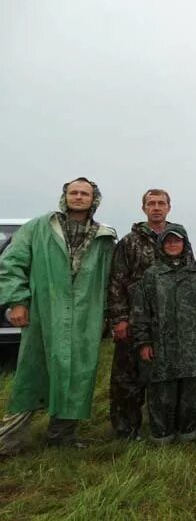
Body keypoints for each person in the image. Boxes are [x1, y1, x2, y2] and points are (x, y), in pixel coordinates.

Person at [0, 178, 117, 455]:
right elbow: (11, 263)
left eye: (84, 193)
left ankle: (61, 435)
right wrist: (17, 301)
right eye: (73, 192)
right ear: (65, 197)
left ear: (94, 199)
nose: (78, 197)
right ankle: (7, 440)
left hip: (84, 317)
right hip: (45, 312)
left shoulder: (103, 236)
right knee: (31, 375)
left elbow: (112, 278)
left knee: (78, 376)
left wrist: (108, 316)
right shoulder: (39, 227)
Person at [106, 188, 193, 441]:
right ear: (143, 208)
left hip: (169, 320)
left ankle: (165, 425)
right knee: (127, 377)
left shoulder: (179, 238)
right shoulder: (129, 241)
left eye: (161, 203)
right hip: (135, 317)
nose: (156, 207)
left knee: (163, 374)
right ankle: (126, 429)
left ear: (169, 207)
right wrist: (120, 319)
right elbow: (116, 281)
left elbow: (187, 275)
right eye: (151, 203)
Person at [131, 226, 196, 444]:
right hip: (161, 344)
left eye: (177, 241)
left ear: (185, 244)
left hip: (191, 344)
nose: (173, 245)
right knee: (162, 393)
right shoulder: (151, 275)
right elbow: (140, 311)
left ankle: (189, 434)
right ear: (162, 245)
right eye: (168, 241)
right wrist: (143, 341)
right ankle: (162, 436)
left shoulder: (195, 274)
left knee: (190, 393)